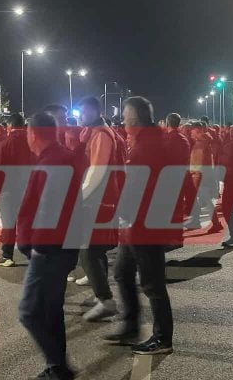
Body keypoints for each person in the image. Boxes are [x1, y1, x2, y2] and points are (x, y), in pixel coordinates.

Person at [17, 112, 83, 380]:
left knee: (30, 311)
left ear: (33, 133)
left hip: (50, 248)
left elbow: (48, 209)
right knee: (51, 310)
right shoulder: (62, 157)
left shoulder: (53, 163)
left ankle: (60, 372)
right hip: (63, 245)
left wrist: (34, 244)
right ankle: (56, 365)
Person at [104, 96, 176, 355]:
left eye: (125, 114)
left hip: (146, 223)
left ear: (136, 116)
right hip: (135, 224)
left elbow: (140, 185)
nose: (122, 119)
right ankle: (131, 326)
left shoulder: (148, 144)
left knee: (153, 283)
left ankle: (162, 338)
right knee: (122, 272)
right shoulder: (141, 141)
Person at [74, 98, 123, 319]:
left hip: (99, 198)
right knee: (96, 247)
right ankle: (100, 290)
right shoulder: (94, 132)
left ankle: (105, 300)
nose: (80, 116)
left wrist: (83, 196)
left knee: (88, 249)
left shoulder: (101, 135)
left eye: (84, 112)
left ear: (96, 112)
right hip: (102, 197)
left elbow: (98, 169)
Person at [0, 113, 33, 266]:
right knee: (27, 221)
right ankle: (32, 254)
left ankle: (7, 255)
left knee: (9, 223)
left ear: (9, 126)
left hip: (9, 190)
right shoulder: (33, 142)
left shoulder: (5, 143)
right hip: (29, 189)